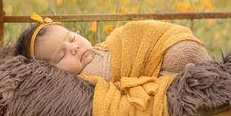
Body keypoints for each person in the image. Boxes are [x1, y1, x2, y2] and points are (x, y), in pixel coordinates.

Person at [14, 19, 215, 80]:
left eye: (72, 38)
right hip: (173, 55)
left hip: (171, 44)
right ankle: (184, 75)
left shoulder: (103, 48)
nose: (74, 48)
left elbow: (131, 39)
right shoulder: (86, 78)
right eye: (62, 54)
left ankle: (191, 70)